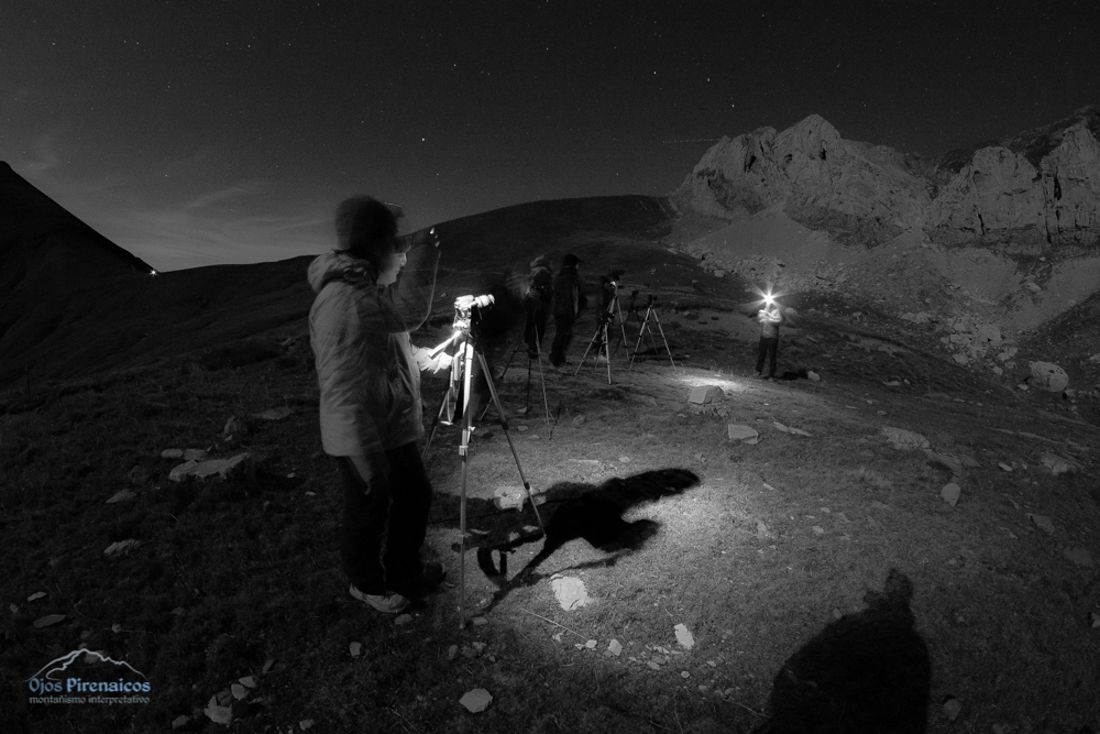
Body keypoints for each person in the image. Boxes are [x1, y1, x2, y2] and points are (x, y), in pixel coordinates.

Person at [307, 196, 450, 614]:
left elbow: (381, 349)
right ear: (375, 242)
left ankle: (404, 571)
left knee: (414, 495)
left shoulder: (364, 291)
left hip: (385, 420)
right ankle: (366, 583)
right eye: (395, 242)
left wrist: (424, 359)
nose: (400, 254)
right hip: (358, 427)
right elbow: (406, 315)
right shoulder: (346, 298)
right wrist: (424, 254)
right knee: (368, 507)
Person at [549, 253, 587, 366]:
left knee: (562, 334)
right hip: (566, 310)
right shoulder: (570, 277)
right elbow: (571, 295)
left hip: (560, 309)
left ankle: (558, 357)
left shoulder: (561, 276)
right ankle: (557, 358)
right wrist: (576, 310)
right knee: (564, 334)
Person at [523, 255, 553, 359]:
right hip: (541, 305)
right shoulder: (543, 274)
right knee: (539, 327)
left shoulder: (532, 274)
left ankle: (529, 343)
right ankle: (534, 348)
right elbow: (546, 292)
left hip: (532, 304)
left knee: (531, 324)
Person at [754, 299, 783, 378]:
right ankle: (758, 371)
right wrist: (765, 317)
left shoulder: (776, 311)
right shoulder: (762, 311)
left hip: (773, 337)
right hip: (764, 336)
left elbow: (778, 321)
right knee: (761, 354)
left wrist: (768, 316)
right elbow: (760, 320)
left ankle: (771, 375)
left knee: (772, 356)